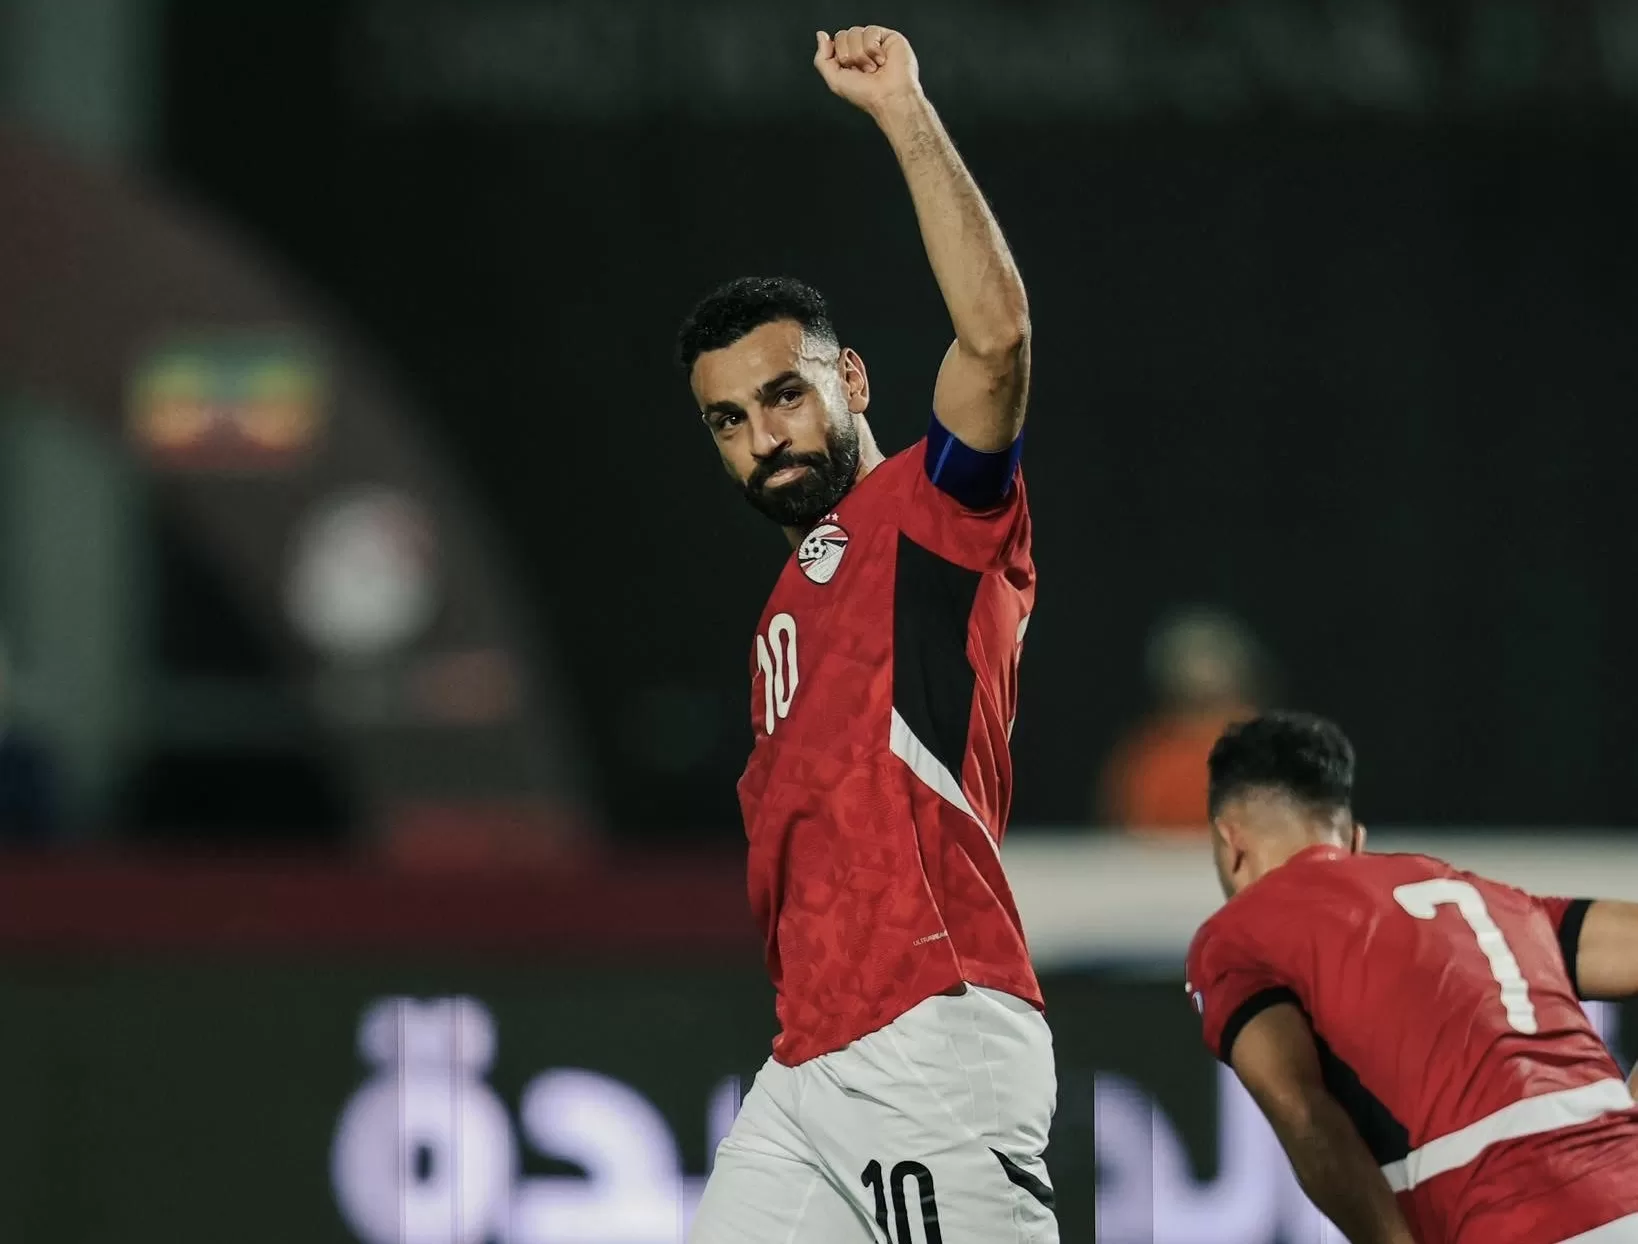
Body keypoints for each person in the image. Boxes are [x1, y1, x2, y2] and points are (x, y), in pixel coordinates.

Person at [675, 24, 1055, 1244]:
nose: (762, 436)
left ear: (853, 380)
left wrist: (903, 112)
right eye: (729, 420)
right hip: (810, 1057)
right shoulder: (788, 603)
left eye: (784, 393)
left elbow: (997, 339)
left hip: (928, 1027)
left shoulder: (931, 513)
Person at [1185, 712, 1638, 1244]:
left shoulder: (1238, 934)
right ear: (1356, 841)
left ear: (1230, 843)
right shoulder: (1482, 897)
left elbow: (1301, 1111)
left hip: (1510, 1221)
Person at [1097, 606, 1267, 835]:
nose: (1201, 670)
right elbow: (1125, 832)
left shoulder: (1271, 750)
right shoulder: (1146, 757)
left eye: (1210, 657)